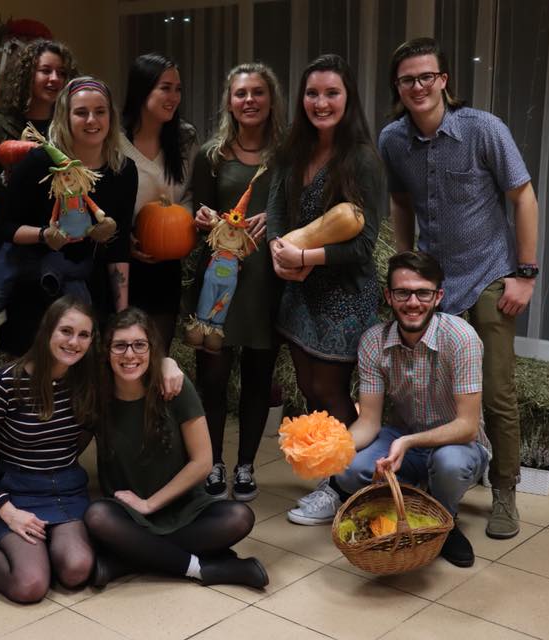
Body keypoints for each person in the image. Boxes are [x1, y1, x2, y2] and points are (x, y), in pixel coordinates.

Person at [0, 298, 184, 602]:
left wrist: (167, 362)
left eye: (84, 335)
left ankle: (30, 544)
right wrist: (7, 512)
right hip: (16, 492)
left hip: (66, 489)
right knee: (29, 586)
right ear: (47, 330)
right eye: (66, 331)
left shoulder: (89, 380)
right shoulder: (5, 383)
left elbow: (134, 363)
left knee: (76, 570)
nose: (74, 342)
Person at [378, 37, 539, 540]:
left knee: (496, 388)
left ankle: (505, 490)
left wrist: (525, 274)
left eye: (427, 76)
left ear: (444, 80)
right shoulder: (392, 140)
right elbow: (401, 202)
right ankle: (427, 473)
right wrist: (404, 268)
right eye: (407, 80)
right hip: (433, 284)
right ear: (397, 87)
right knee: (427, 387)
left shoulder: (483, 129)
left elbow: (524, 196)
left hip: (489, 275)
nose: (418, 87)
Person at [287, 252, 491, 568]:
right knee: (348, 469)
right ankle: (407, 498)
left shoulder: (461, 338)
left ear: (438, 296)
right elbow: (369, 422)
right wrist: (330, 450)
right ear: (389, 296)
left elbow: (467, 426)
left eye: (423, 293)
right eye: (403, 293)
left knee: (449, 464)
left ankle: (446, 521)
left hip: (456, 444)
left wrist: (408, 442)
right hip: (402, 440)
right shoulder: (373, 341)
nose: (413, 302)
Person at [83, 308, 269, 589]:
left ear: (152, 349)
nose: (129, 354)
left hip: (184, 507)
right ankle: (202, 569)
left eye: (139, 345)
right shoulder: (97, 396)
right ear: (106, 351)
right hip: (127, 512)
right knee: (97, 517)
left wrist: (150, 504)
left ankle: (126, 559)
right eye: (119, 345)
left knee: (239, 518)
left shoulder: (174, 387)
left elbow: (203, 462)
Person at [266, 54, 384, 427]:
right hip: (298, 292)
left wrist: (303, 257)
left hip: (345, 294)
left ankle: (346, 463)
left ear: (348, 98)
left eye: (332, 93)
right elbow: (275, 210)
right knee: (308, 388)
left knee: (329, 390)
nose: (321, 103)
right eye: (312, 93)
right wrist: (276, 249)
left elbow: (364, 245)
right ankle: (322, 459)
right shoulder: (291, 149)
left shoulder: (363, 159)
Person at [189, 62, 286, 501]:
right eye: (241, 93)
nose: (249, 100)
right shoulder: (211, 155)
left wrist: (276, 218)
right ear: (229, 101)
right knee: (212, 376)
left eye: (258, 92)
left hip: (267, 280)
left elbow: (301, 211)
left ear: (271, 99)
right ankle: (212, 462)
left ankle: (246, 464)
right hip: (220, 281)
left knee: (258, 376)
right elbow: (198, 213)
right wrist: (203, 218)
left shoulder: (288, 155)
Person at [0, 76, 136, 355]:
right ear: (65, 117)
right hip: (39, 285)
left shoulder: (123, 170)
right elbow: (4, 227)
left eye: (100, 111)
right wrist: (44, 235)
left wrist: (122, 316)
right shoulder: (39, 163)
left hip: (92, 285)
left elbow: (119, 248)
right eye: (81, 112)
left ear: (111, 117)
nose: (92, 120)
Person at [0, 39, 77, 341]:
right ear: (27, 74)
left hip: (63, 245)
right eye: (45, 71)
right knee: (22, 338)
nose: (54, 79)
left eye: (61, 72)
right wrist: (10, 176)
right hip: (11, 245)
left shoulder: (70, 126)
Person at [122, 53, 196, 348]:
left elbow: (189, 193)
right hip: (123, 258)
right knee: (123, 347)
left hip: (168, 258)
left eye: (178, 89)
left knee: (157, 350)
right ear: (142, 89)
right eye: (165, 88)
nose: (173, 97)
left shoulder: (185, 138)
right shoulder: (115, 140)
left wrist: (181, 223)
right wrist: (124, 238)